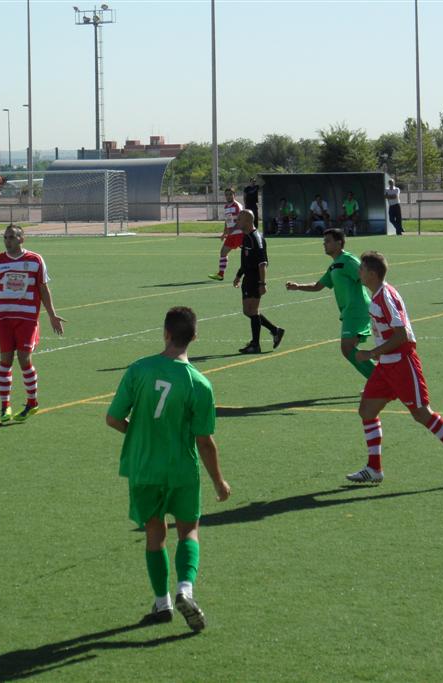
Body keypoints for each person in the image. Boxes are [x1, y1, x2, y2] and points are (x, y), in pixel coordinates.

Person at [105, 306, 231, 632]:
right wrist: (219, 481)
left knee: (154, 532)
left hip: (143, 466)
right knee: (188, 530)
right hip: (181, 469)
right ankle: (185, 589)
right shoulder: (199, 383)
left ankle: (162, 603)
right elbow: (204, 441)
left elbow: (114, 419)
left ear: (165, 333)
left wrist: (138, 434)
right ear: (195, 337)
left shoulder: (139, 369)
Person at [346, 251, 443, 486]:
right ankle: (374, 468)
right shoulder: (377, 295)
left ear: (372, 274)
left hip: (402, 363)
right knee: (367, 410)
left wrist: (371, 353)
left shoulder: (385, 297)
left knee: (421, 413)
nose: (359, 272)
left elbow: (401, 336)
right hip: (386, 365)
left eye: (362, 269)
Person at [0, 224, 66, 423]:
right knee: (5, 360)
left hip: (27, 318)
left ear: (21, 239)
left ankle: (32, 402)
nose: (7, 241)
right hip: (4, 318)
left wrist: (52, 315)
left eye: (11, 237)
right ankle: (5, 406)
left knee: (24, 359)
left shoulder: (35, 260)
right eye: (5, 237)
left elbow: (43, 289)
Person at [285, 228, 374, 379]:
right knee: (349, 349)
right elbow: (318, 286)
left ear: (339, 243)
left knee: (347, 348)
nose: (324, 244)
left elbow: (365, 278)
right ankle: (379, 380)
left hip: (356, 310)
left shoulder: (348, 260)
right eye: (324, 241)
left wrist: (379, 299)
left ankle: (379, 380)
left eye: (328, 241)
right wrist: (298, 286)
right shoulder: (334, 265)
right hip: (349, 311)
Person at [232, 210, 285, 354]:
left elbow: (262, 264)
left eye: (239, 219)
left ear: (248, 221)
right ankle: (275, 330)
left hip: (255, 279)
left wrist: (262, 283)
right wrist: (239, 275)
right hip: (248, 278)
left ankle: (255, 344)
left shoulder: (256, 238)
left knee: (252, 310)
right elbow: (245, 260)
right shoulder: (246, 236)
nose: (237, 221)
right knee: (248, 311)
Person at [208, 188, 243, 281]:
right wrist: (224, 233)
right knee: (223, 252)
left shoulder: (237, 206)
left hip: (240, 234)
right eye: (226, 195)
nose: (228, 196)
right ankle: (220, 274)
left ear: (234, 195)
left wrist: (233, 229)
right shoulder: (226, 206)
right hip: (231, 235)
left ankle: (256, 271)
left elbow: (241, 220)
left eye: (230, 194)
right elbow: (227, 221)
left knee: (248, 254)